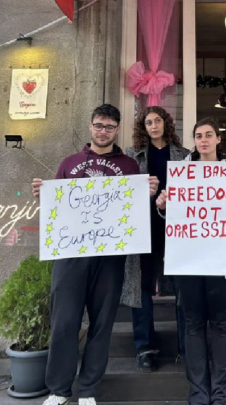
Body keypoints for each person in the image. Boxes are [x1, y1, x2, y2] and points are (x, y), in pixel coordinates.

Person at [31, 104, 158, 405]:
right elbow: (55, 211)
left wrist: (148, 192)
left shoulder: (129, 166)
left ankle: (88, 389)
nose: (103, 131)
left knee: (102, 324)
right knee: (64, 322)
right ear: (90, 127)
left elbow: (135, 214)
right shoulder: (69, 163)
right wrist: (42, 195)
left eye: (110, 127)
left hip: (111, 258)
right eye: (99, 125)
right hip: (70, 256)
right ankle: (59, 389)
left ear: (117, 129)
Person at [156, 117, 226, 405]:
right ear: (194, 140)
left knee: (222, 323)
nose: (204, 140)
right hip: (189, 260)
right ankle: (198, 392)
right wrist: (162, 207)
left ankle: (222, 392)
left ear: (218, 139)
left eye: (209, 134)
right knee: (194, 324)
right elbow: (173, 215)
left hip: (221, 258)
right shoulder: (182, 172)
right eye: (199, 135)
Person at [121, 106, 189, 372]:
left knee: (182, 288)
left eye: (158, 120)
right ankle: (145, 347)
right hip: (142, 229)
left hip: (176, 231)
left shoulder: (183, 156)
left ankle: (186, 347)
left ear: (166, 123)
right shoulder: (130, 156)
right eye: (148, 122)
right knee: (142, 288)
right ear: (143, 127)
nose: (153, 126)